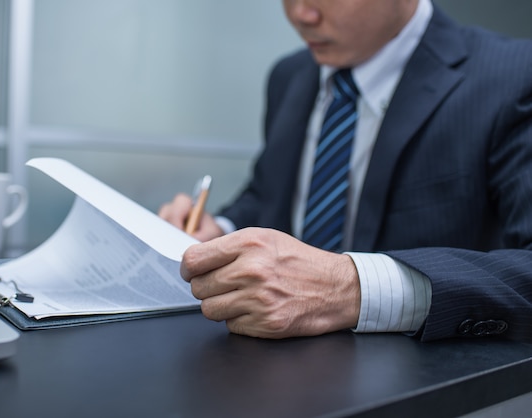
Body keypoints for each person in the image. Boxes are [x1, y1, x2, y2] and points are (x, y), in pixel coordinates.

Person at [159, 0, 532, 342]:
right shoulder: (289, 76)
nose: (301, 15)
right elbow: (268, 195)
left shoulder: (514, 76)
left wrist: (350, 288)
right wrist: (219, 230)